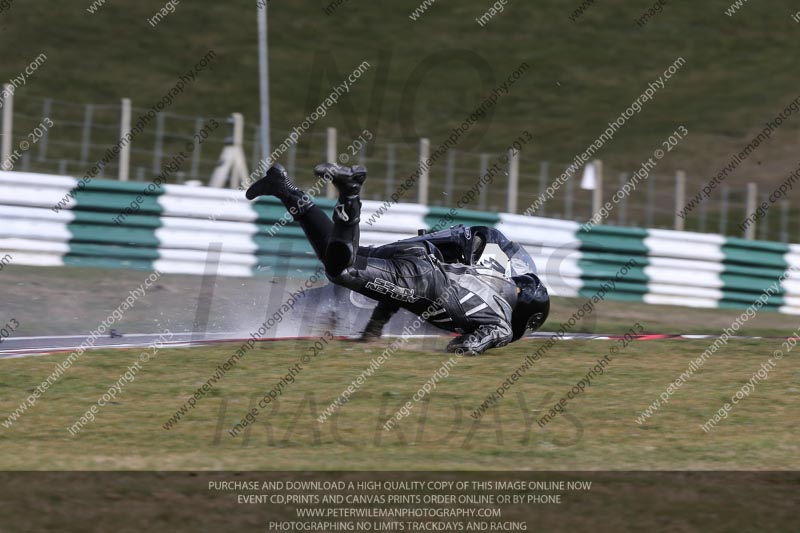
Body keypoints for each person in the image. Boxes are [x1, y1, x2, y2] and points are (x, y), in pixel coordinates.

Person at [246, 163, 549, 355]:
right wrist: (463, 346)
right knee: (342, 270)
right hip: (423, 274)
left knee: (337, 258)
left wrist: (373, 331)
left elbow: (401, 297)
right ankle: (350, 191)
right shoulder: (502, 324)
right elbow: (468, 345)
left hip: (419, 258)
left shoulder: (496, 276)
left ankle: (284, 189)